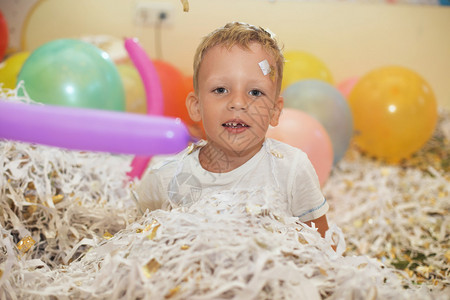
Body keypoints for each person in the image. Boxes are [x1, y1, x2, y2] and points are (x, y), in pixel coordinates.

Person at [135, 22, 330, 237]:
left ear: (275, 111)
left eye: (255, 92)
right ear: (196, 106)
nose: (238, 103)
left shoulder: (292, 171)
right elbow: (138, 247)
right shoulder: (164, 180)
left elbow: (323, 251)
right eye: (220, 89)